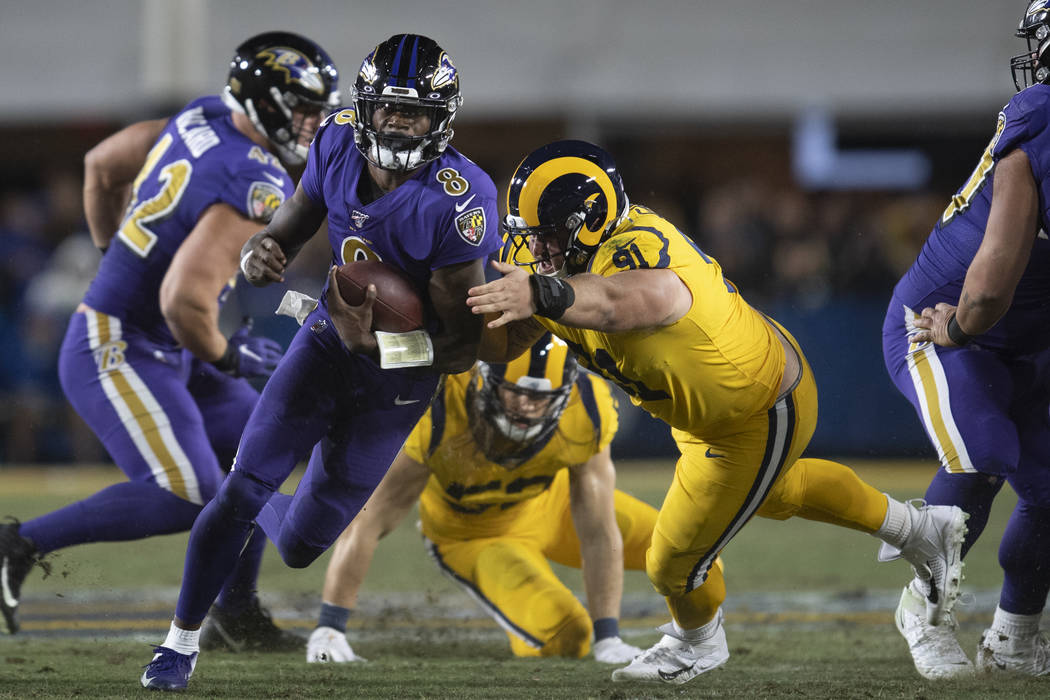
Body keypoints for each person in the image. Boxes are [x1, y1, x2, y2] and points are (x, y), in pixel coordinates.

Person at [465, 139, 968, 686]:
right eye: (528, 231)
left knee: (672, 563)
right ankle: (920, 530)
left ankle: (696, 642)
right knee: (778, 492)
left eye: (547, 234)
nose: (533, 246)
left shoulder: (637, 248)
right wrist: (434, 333)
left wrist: (538, 292)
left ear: (589, 222)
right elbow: (507, 338)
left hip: (756, 406)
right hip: (709, 408)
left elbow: (623, 300)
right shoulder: (544, 261)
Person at [140, 33, 502, 691]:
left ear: (441, 118)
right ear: (364, 107)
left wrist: (384, 346)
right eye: (388, 108)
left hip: (401, 380)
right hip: (328, 342)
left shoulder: (458, 198)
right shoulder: (335, 140)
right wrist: (262, 251)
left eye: (414, 112)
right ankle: (178, 645)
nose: (397, 122)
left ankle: (253, 494)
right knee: (242, 490)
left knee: (304, 546)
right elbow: (288, 227)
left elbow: (464, 346)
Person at [0, 31, 339, 651]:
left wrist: (115, 256)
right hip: (124, 345)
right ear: (265, 103)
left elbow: (102, 167)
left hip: (166, 342)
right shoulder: (256, 178)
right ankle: (15, 546)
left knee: (254, 449)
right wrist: (229, 354)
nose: (315, 124)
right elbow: (181, 299)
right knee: (188, 494)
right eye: (304, 110)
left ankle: (235, 615)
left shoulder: (205, 114)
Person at [305, 334, 662, 665]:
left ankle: (692, 645)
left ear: (564, 393)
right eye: (514, 392)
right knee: (568, 636)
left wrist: (609, 638)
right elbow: (368, 519)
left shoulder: (586, 408)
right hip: (474, 536)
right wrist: (330, 625)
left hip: (551, 505)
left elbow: (599, 531)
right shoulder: (440, 408)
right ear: (483, 383)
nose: (526, 407)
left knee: (687, 559)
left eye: (540, 398)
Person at [881, 1, 1050, 679]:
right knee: (983, 451)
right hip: (948, 326)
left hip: (1028, 338)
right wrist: (960, 324)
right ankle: (922, 606)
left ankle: (1015, 638)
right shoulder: (1040, 118)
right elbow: (984, 289)